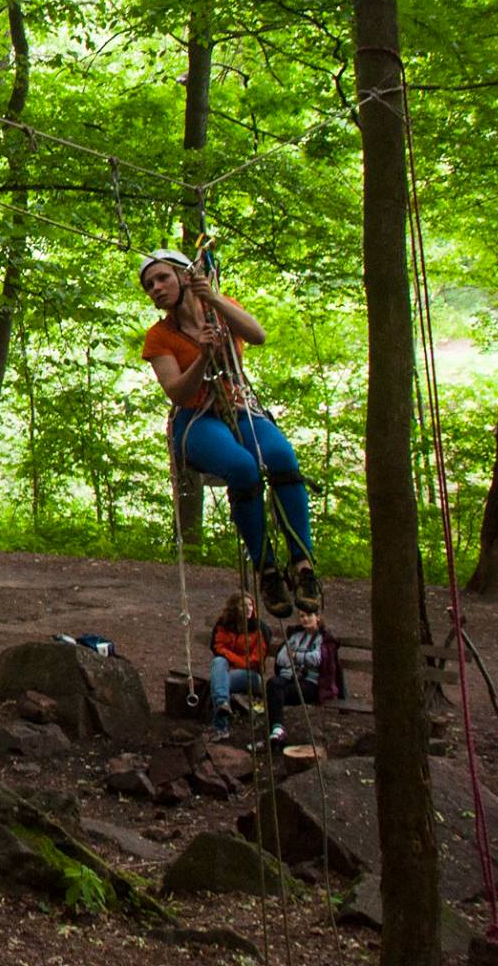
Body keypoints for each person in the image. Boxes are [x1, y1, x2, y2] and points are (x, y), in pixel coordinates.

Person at [139, 249, 318, 618]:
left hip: (240, 408)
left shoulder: (221, 311)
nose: (155, 288)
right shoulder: (159, 337)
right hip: (198, 418)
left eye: (162, 278)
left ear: (184, 276)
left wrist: (213, 298)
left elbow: (258, 334)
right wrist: (203, 355)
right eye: (149, 285)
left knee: (282, 457)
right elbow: (177, 392)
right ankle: (267, 568)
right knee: (242, 467)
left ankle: (303, 565)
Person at [265, 607, 341, 746]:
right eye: (301, 616)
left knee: (277, 693)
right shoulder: (296, 636)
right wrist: (300, 658)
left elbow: (317, 659)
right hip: (289, 677)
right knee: (273, 684)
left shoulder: (324, 639)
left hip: (311, 683)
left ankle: (277, 731)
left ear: (317, 617)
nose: (305, 619)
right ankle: (277, 729)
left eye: (308, 616)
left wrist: (295, 655)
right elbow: (281, 658)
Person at [207, 591, 269, 740]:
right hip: (228, 672)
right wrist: (232, 661)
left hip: (252, 676)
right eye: (243, 606)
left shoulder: (259, 628)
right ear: (234, 608)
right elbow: (217, 647)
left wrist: (234, 661)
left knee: (220, 678)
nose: (249, 609)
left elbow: (255, 660)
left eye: (250, 605)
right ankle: (222, 704)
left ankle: (220, 727)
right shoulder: (224, 624)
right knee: (218, 663)